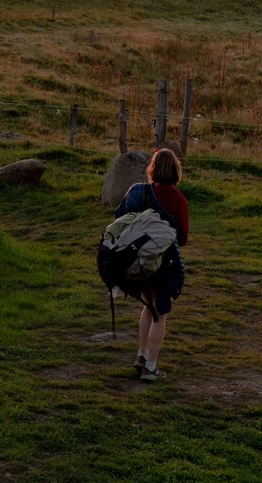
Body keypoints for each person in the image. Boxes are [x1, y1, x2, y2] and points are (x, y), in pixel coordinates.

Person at [114, 146, 188, 381]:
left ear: (153, 168)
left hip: (138, 263)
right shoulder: (177, 199)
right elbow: (183, 237)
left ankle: (142, 354)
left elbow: (119, 218)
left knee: (149, 306)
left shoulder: (137, 191)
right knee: (160, 314)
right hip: (163, 263)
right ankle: (151, 367)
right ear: (176, 170)